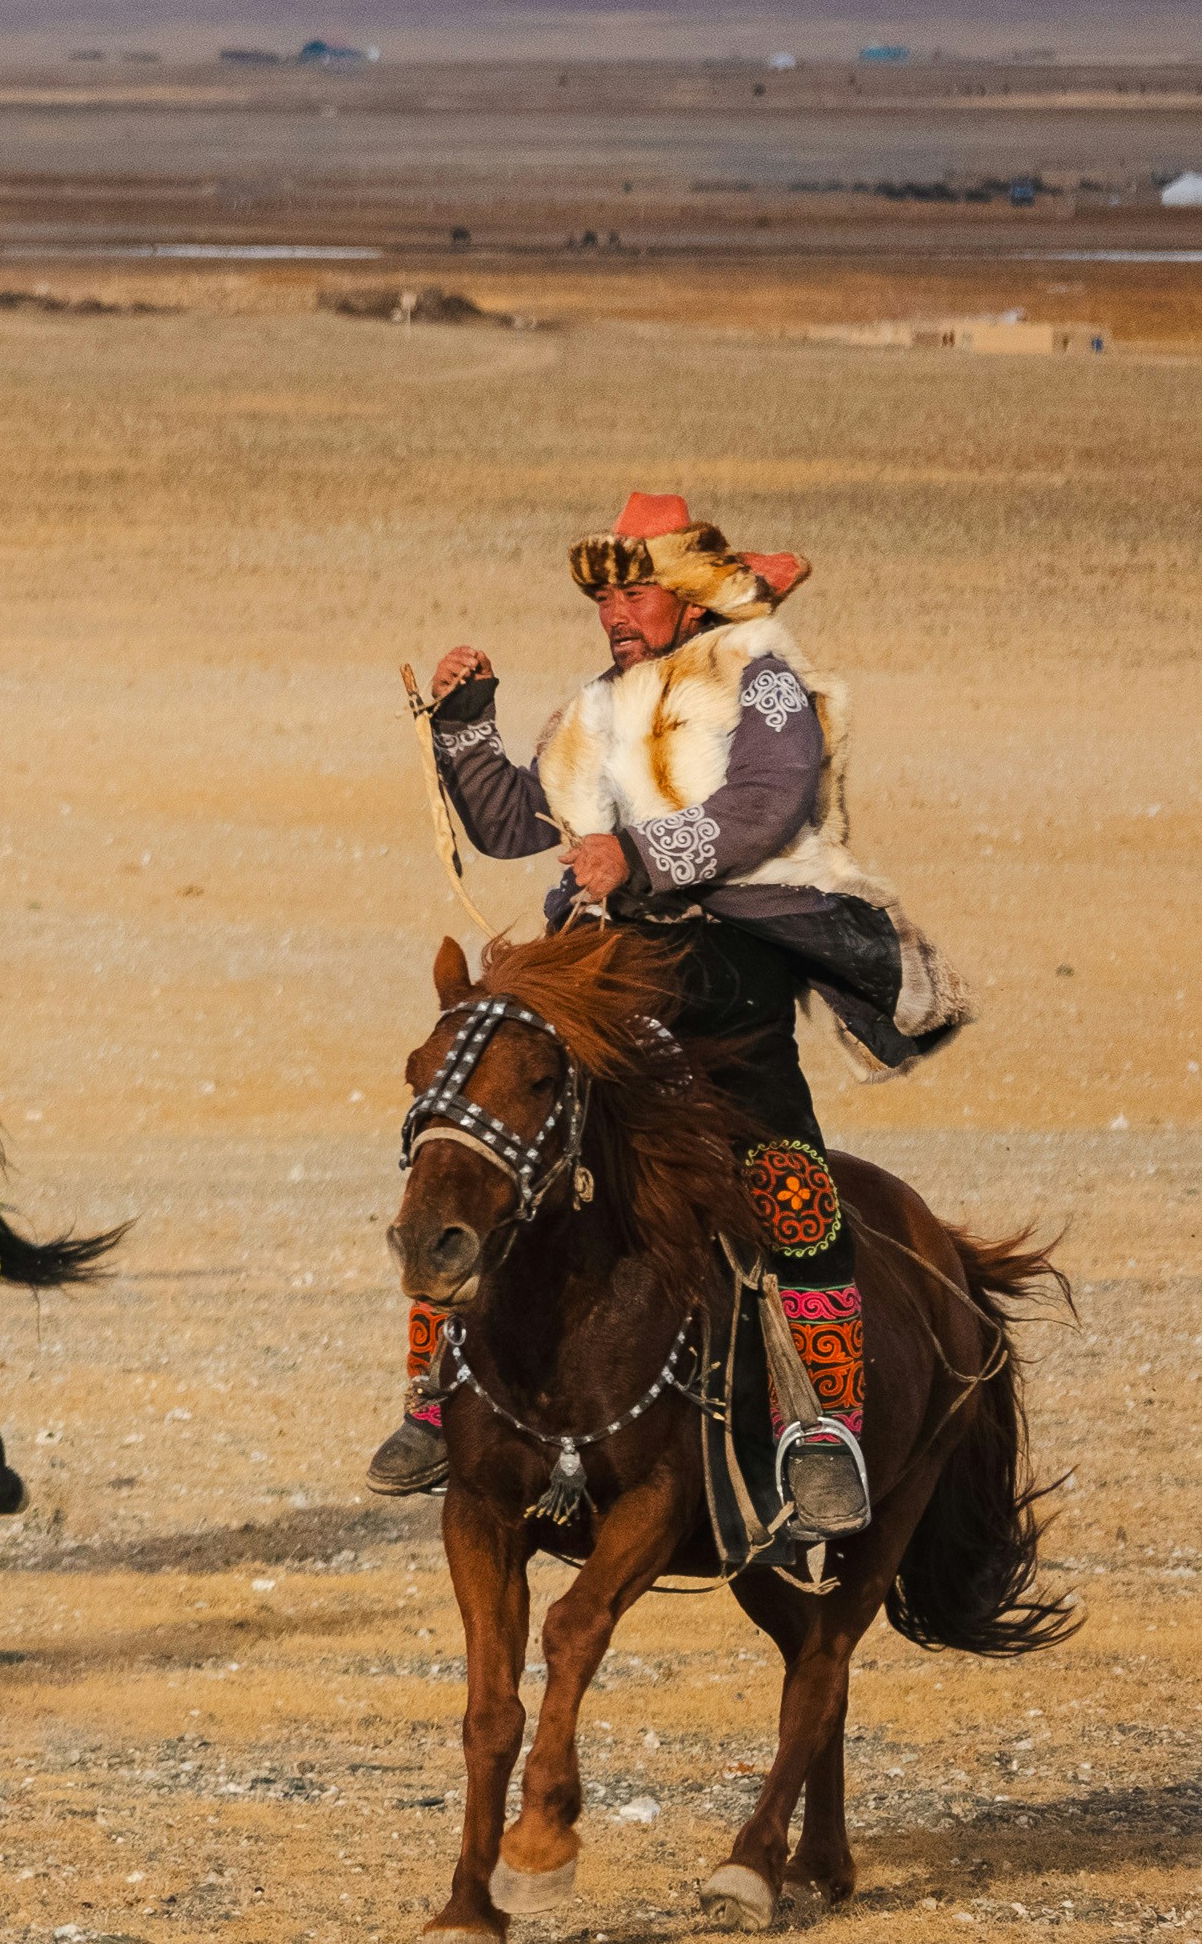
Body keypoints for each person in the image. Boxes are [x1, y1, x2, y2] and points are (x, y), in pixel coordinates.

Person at [384, 494, 965, 1545]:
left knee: (786, 1170)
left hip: (728, 953)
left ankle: (822, 1424)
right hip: (600, 958)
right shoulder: (597, 706)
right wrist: (467, 720)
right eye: (603, 598)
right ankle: (436, 1391)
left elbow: (768, 801)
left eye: (634, 592)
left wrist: (640, 857)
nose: (614, 613)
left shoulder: (759, 675)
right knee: (477, 1114)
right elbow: (512, 821)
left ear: (689, 596)